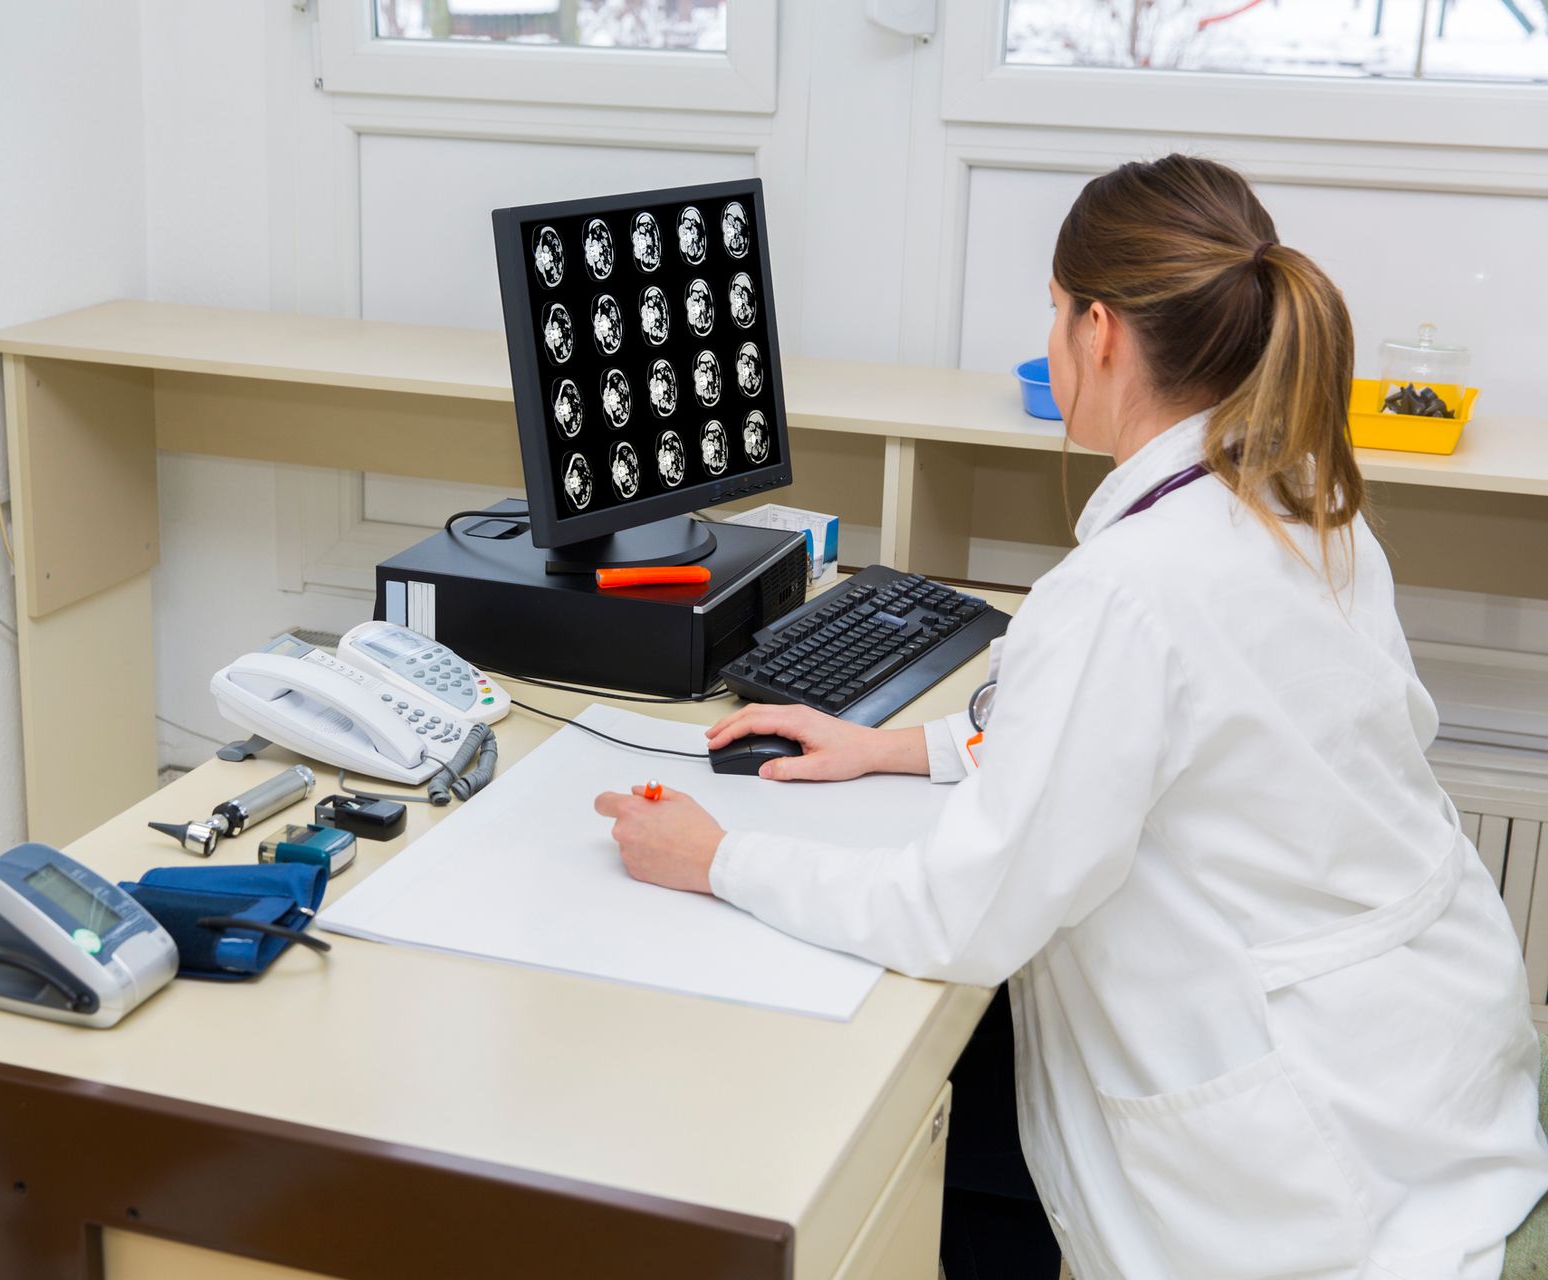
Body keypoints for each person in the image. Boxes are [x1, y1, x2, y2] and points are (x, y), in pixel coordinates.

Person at [594, 155, 1548, 1279]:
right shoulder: (1305, 501)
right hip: (1428, 1074)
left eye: (1051, 309)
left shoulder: (1125, 591)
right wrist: (904, 745)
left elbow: (964, 916)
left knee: (898, 1120)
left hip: (1308, 1166)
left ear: (1099, 329)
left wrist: (719, 857)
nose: (1050, 334)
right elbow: (1198, 743)